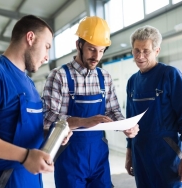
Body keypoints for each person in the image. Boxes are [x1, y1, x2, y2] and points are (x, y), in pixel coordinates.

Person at [0, 15, 71, 188]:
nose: (47, 57)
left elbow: (15, 131)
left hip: (29, 180)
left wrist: (53, 136)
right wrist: (25, 156)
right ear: (30, 38)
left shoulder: (28, 83)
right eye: (46, 47)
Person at [42, 16, 139, 188]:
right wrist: (83, 122)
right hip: (69, 160)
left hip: (99, 160)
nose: (96, 56)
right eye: (91, 49)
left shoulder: (105, 77)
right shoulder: (60, 76)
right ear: (78, 45)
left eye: (101, 51)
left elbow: (113, 111)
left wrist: (125, 125)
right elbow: (48, 119)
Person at [125, 25, 182, 188]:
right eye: (136, 50)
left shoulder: (170, 75)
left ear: (157, 51)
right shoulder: (132, 82)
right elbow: (129, 122)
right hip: (140, 154)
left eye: (146, 51)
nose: (140, 56)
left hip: (167, 154)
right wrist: (129, 152)